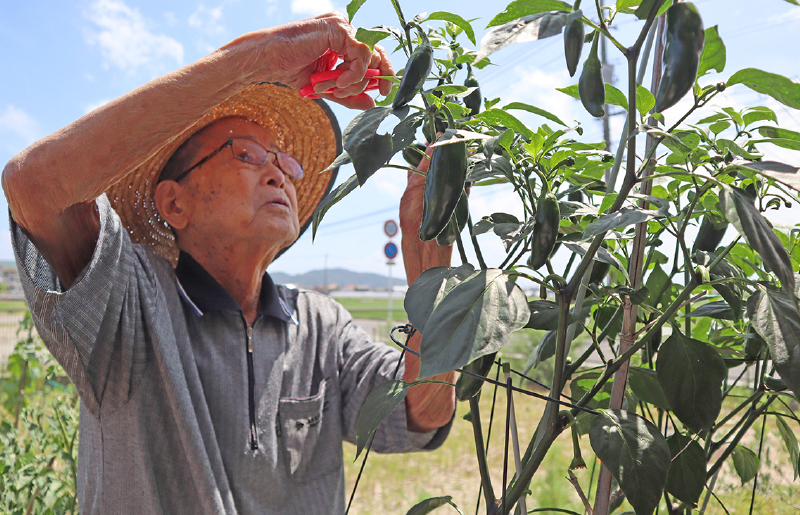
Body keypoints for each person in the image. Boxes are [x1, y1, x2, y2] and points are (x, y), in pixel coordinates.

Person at [2, 12, 456, 515]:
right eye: (246, 154)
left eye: (285, 160)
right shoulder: (131, 303)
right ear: (174, 204)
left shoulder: (322, 326)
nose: (278, 173)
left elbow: (422, 410)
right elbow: (34, 186)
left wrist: (432, 278)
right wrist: (252, 62)